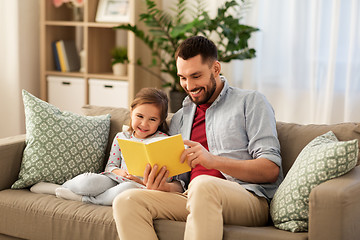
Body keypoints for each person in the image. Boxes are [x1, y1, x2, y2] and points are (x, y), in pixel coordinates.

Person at [112, 36, 283, 240]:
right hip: (192, 196)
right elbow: (182, 182)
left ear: (216, 69)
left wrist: (213, 161)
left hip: (249, 198)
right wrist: (163, 186)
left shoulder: (251, 102)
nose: (189, 85)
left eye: (195, 76)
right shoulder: (181, 118)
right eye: (182, 77)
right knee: (127, 200)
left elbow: (271, 169)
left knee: (202, 183)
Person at [30, 88, 170, 206]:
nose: (144, 124)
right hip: (114, 179)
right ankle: (60, 188)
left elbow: (168, 178)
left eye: (152, 119)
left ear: (160, 121)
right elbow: (109, 167)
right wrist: (119, 172)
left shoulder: (163, 141)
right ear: (131, 111)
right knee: (88, 181)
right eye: (140, 116)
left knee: (127, 189)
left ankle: (85, 199)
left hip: (139, 186)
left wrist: (140, 181)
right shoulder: (121, 137)